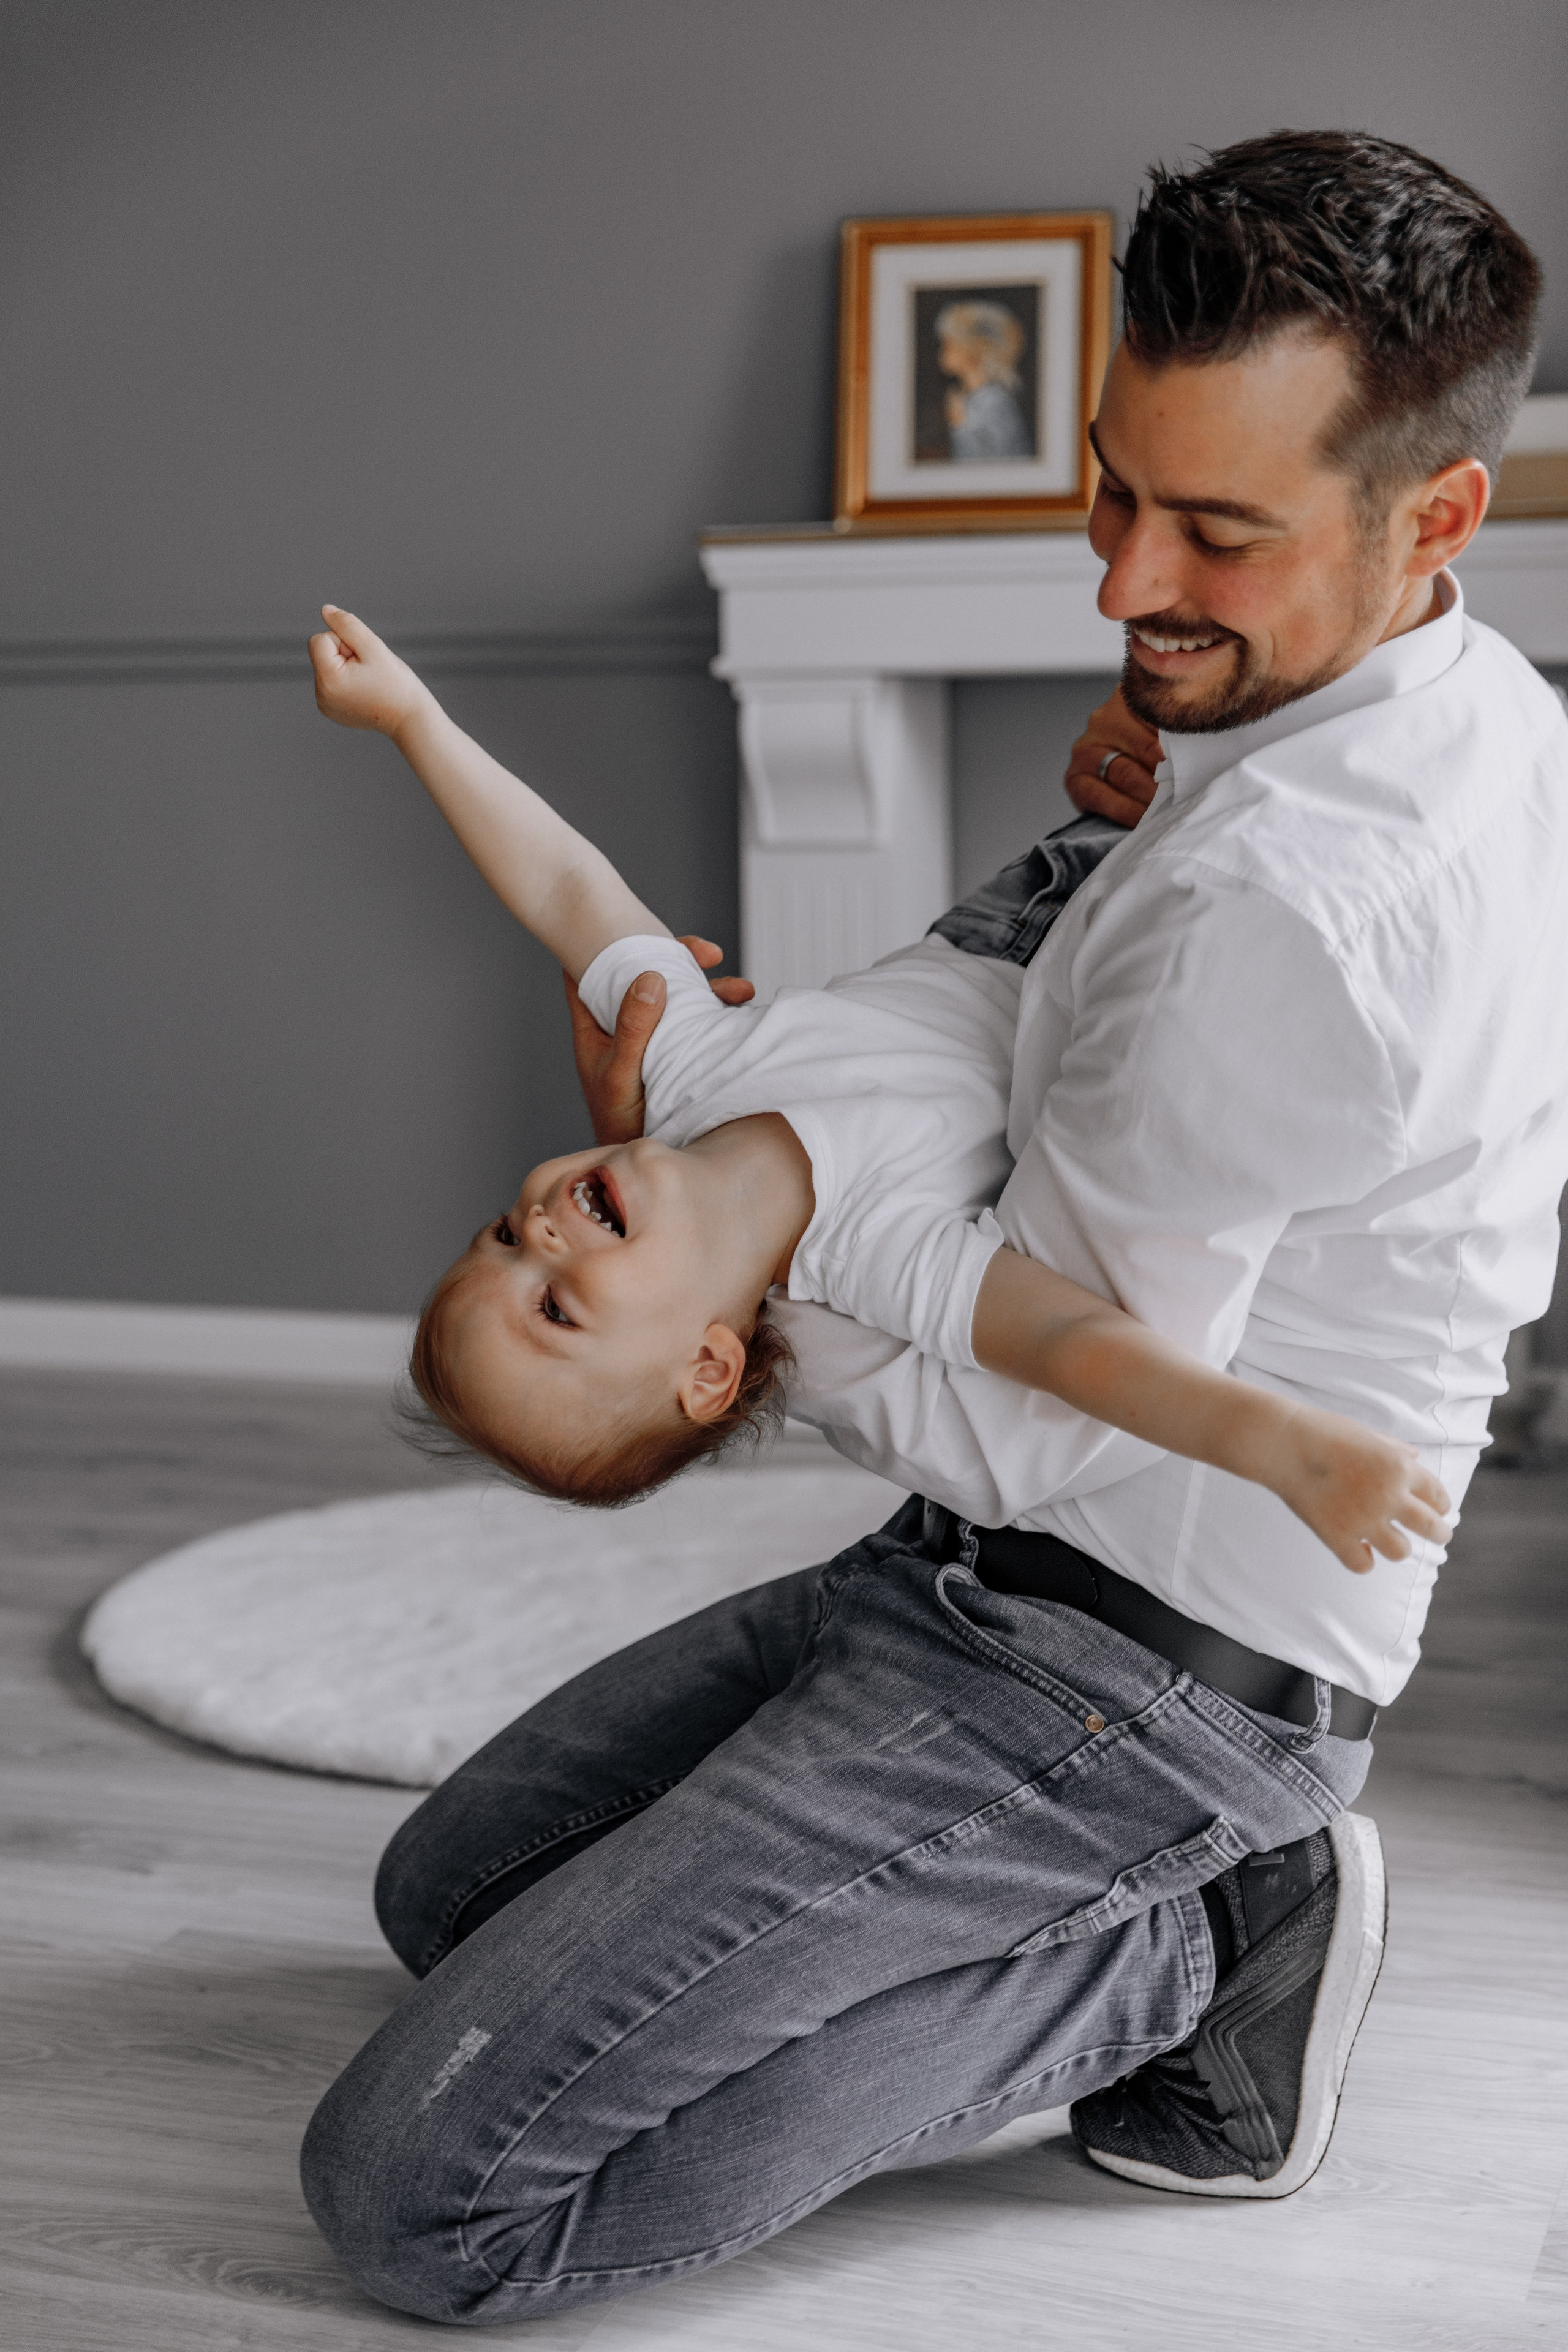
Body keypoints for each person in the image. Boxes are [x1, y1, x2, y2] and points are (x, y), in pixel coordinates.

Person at [300, 132, 1568, 2324]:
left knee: (413, 2193)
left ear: (1430, 515)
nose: (1113, 581)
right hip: (957, 1585)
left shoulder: (1283, 926)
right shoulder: (1384, 689)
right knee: (451, 1891)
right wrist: (1144, 768)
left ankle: (1182, 1959)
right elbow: (964, 1018)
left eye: (1209, 534)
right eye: (1112, 489)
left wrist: (758, 1297)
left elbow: (1065, 1393)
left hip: (1125, 1676)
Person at [306, 605, 1444, 1566]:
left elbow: (566, 885)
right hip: (1120, 967)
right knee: (1339, 776)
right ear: (709, 1366)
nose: (543, 1232)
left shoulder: (685, 1067)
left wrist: (413, 720)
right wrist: (1286, 1448)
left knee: (1251, 673)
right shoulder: (868, 1263)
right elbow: (1074, 1351)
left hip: (1027, 898)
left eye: (503, 1235)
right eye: (556, 1307)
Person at [936, 296, 1034, 459]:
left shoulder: (996, 402)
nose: (943, 352)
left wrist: (961, 427)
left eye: (950, 344)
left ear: (974, 349)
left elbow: (1001, 461)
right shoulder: (967, 398)